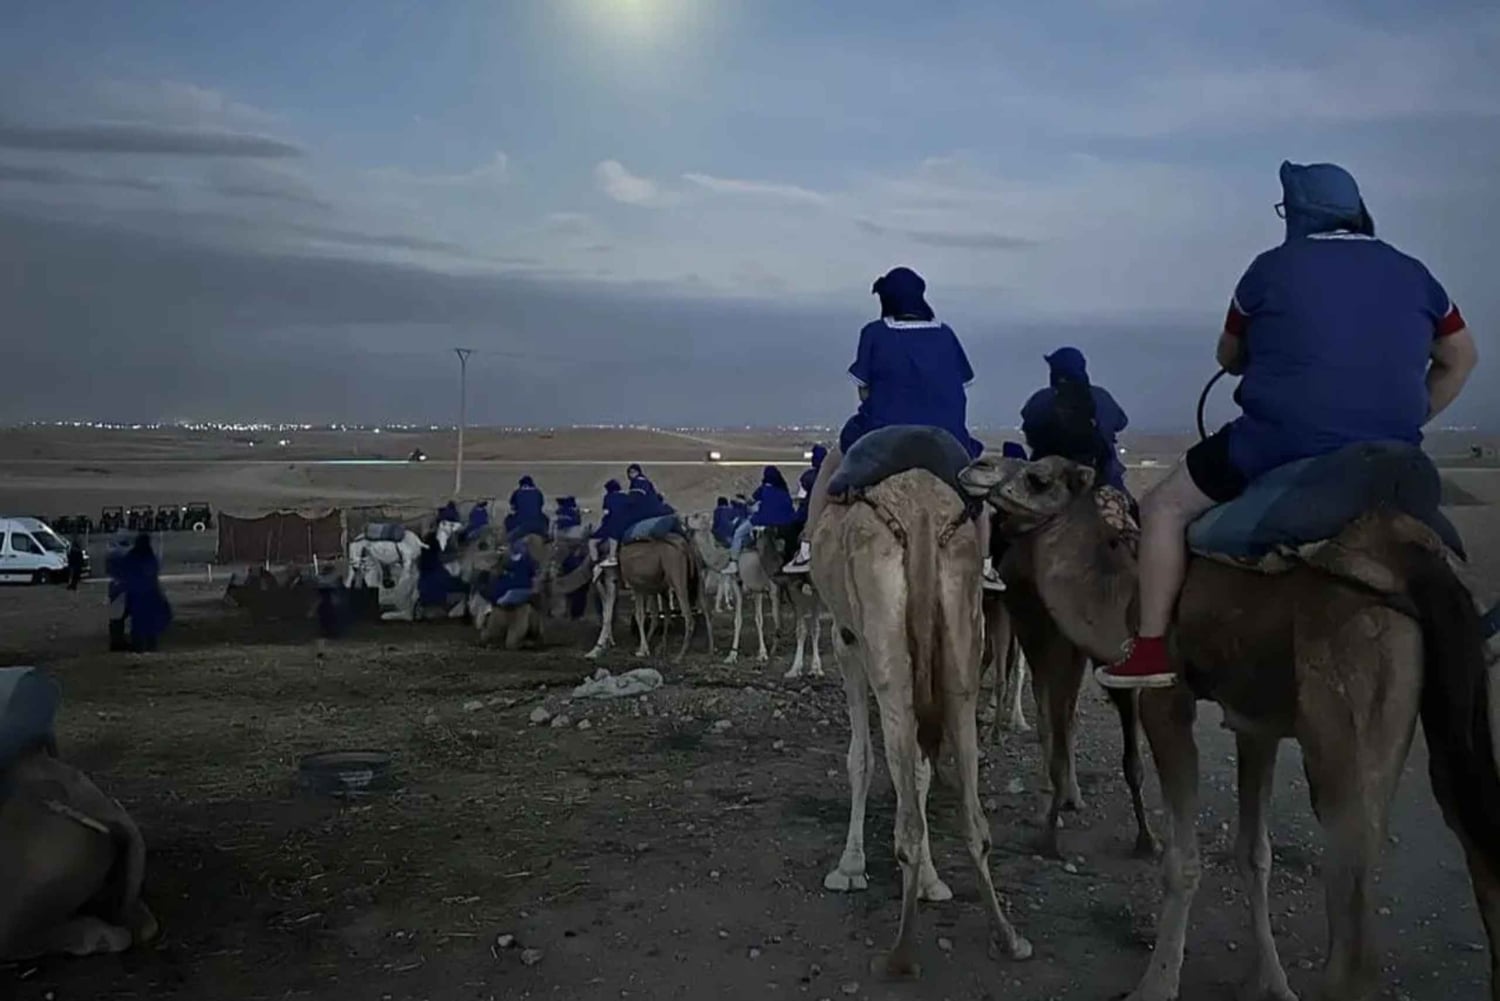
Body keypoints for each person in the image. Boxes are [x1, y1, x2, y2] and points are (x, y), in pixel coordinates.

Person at [1098, 160, 1479, 690]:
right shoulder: (1417, 273)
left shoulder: (1268, 270)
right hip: (1389, 447)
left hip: (1280, 442)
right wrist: (1413, 414)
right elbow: (1461, 356)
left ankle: (1151, 648)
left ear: (1295, 212)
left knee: (1162, 508)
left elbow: (1228, 356)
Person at [783, 266, 1000, 589]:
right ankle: (985, 564)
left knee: (828, 469)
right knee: (976, 493)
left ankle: (807, 546)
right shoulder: (946, 334)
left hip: (882, 433)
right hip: (945, 437)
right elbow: (960, 385)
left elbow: (863, 389)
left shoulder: (875, 332)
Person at [1021, 347, 1130, 490]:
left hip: (1045, 480)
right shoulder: (1101, 397)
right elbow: (1121, 422)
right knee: (1129, 507)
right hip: (1101, 479)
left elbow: (1028, 423)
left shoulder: (1041, 398)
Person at [726, 466, 798, 574]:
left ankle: (733, 562)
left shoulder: (763, 489)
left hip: (763, 519)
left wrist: (743, 497)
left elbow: (751, 502)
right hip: (786, 522)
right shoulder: (784, 490)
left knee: (739, 533)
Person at [114, 532, 172, 652]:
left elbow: (124, 573)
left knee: (139, 623)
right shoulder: (149, 557)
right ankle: (149, 646)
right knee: (149, 623)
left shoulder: (132, 557)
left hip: (137, 594)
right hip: (147, 594)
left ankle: (140, 646)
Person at [415, 532, 461, 613]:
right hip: (439, 599)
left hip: (425, 597)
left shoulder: (424, 560)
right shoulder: (436, 566)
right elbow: (448, 583)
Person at [589, 479, 630, 569]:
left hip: (611, 526)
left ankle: (596, 564)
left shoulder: (608, 497)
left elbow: (606, 513)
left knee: (592, 542)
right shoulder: (626, 497)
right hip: (627, 526)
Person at [505, 476, 549, 541]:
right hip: (538, 524)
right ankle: (546, 535)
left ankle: (507, 542)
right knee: (546, 519)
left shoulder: (517, 492)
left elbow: (513, 507)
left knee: (508, 521)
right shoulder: (538, 492)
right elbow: (540, 505)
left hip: (521, 524)